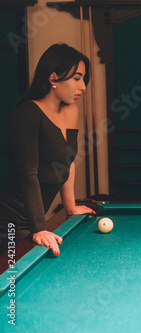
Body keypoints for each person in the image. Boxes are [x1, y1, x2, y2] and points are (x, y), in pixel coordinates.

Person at [0, 43, 96, 256]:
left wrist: (70, 206)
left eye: (83, 79)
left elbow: (68, 161)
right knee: (10, 282)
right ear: (53, 78)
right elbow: (28, 175)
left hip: (37, 220)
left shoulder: (70, 110)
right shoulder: (27, 113)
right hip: (10, 222)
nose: (83, 86)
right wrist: (39, 228)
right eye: (77, 78)